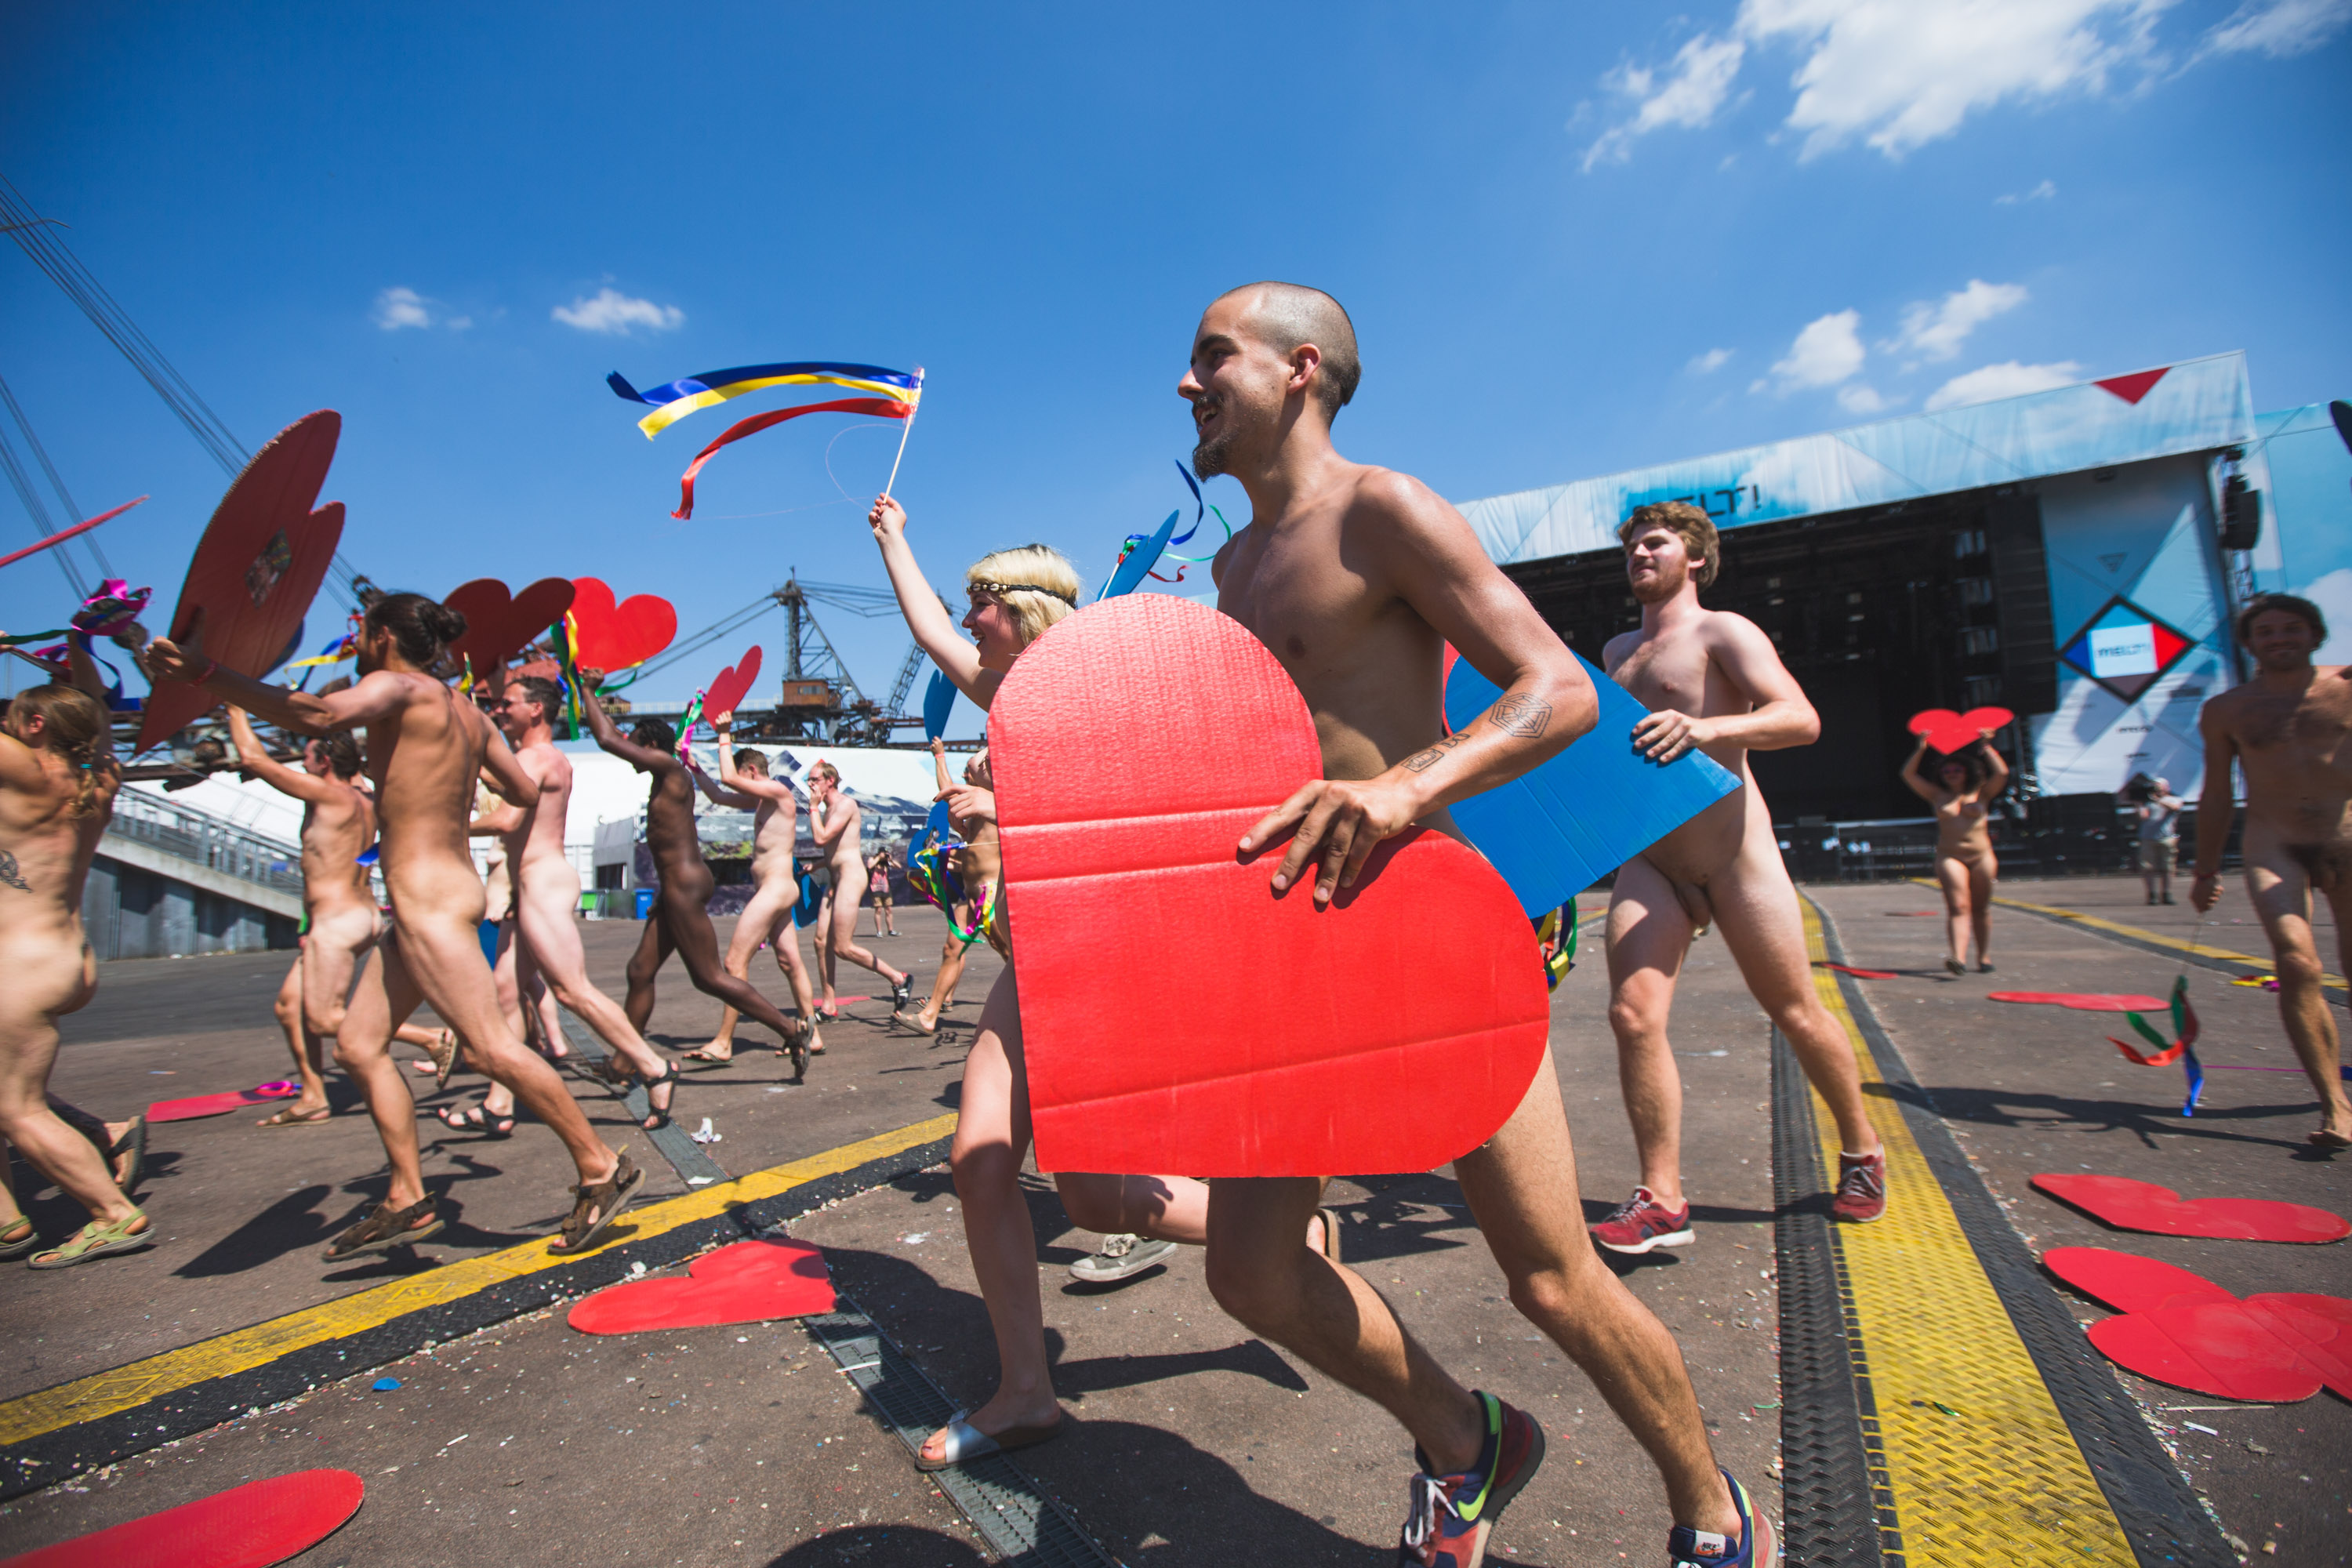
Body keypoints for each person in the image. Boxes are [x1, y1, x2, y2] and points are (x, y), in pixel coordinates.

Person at [1184, 283, 1764, 1566]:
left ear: (1304, 371)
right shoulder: (1229, 567)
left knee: (1552, 1277)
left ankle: (1718, 1519)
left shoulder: (1383, 509)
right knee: (1251, 1275)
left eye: (1212, 356)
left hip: (1430, 939)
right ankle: (1467, 1440)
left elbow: (1558, 691)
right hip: (1298, 951)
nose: (1190, 383)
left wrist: (1404, 788)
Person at [864, 496, 1286, 1472]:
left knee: (1094, 1195)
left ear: (1023, 608)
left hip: (1100, 958)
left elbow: (1142, 809)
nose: (966, 617)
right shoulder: (1001, 690)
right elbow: (926, 629)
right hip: (1030, 953)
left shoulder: (1097, 690)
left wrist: (1005, 805)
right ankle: (1025, 1391)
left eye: (981, 601)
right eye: (965, 601)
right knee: (980, 1156)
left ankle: (1286, 1228)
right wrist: (892, 539)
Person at [147, 593, 644, 1258]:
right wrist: (444, 798)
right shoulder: (465, 711)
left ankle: (599, 1166)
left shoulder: (395, 686)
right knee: (357, 1043)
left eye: (361, 632)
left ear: (381, 635)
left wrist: (207, 674)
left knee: (493, 1047)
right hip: (439, 892)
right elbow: (523, 796)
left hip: (427, 902)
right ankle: (407, 1196)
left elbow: (319, 714)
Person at [1596, 501, 1886, 1261]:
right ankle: (1661, 1197)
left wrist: (1709, 729)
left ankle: (1860, 1146)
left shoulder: (1725, 631)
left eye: (1654, 542)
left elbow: (1801, 718)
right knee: (1632, 1014)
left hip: (1734, 853)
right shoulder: (1617, 648)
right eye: (1631, 545)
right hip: (1653, 856)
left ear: (1695, 556)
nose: (1639, 555)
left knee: (1795, 1009)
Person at [578, 673, 811, 1079]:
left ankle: (791, 1030)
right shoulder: (668, 772)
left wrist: (586, 690)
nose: (629, 750)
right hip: (675, 888)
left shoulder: (667, 767)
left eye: (637, 744)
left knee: (709, 976)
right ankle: (622, 1063)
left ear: (650, 747)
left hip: (683, 886)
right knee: (640, 972)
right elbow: (616, 734)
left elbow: (607, 740)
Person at [475, 676, 681, 1127]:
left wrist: (434, 819)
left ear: (535, 710)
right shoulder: (548, 758)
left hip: (541, 884)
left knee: (572, 990)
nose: (500, 709)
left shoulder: (533, 758)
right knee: (506, 992)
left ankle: (655, 1068)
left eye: (507, 703)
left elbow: (508, 819)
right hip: (531, 883)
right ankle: (499, 1103)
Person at [2191, 593, 2352, 1149]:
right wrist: (2205, 870)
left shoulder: (2347, 687)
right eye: (2265, 632)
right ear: (2249, 644)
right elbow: (2216, 796)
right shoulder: (2227, 710)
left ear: (2315, 634)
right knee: (2297, 961)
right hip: (2274, 845)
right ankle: (2335, 1105)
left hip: (2345, 839)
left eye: (2291, 629)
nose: (2278, 639)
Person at [0, 671, 148, 1269]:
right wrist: (83, 648)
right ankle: (8, 1222)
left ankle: (112, 1213)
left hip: (21, 963)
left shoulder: (26, 769)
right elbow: (97, 716)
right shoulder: (100, 775)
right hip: (68, 955)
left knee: (18, 1108)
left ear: (36, 725)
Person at [682, 724, 826, 1066]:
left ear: (751, 771)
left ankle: (723, 1042)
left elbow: (729, 779)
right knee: (790, 962)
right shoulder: (766, 800)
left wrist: (723, 734)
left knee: (734, 963)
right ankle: (813, 1035)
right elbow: (719, 795)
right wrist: (694, 767)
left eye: (742, 773)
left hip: (775, 889)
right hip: (776, 889)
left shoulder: (777, 791)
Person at [894, 737, 991, 1039]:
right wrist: (960, 863)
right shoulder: (975, 806)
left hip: (994, 893)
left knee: (1012, 958)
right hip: (972, 891)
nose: (965, 775)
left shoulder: (994, 800)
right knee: (952, 949)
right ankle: (930, 1013)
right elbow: (948, 792)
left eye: (971, 768)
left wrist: (940, 758)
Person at [805, 760, 913, 1016]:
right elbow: (837, 848)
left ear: (830, 780)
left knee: (842, 947)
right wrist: (817, 864)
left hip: (850, 878)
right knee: (821, 942)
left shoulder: (844, 805)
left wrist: (811, 808)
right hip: (834, 878)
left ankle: (898, 978)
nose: (810, 786)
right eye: (809, 781)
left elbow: (821, 838)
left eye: (815, 780)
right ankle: (829, 1005)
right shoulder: (828, 808)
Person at [1900, 731, 2009, 973]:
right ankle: (1957, 958)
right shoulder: (1937, 795)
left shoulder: (1982, 793)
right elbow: (1908, 774)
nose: (1951, 775)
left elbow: (2002, 774)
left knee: (1981, 907)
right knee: (1958, 906)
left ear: (1967, 772)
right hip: (1951, 856)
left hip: (1981, 856)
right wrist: (1921, 749)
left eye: (1956, 771)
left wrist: (1987, 747)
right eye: (1947, 772)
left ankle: (1984, 957)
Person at [2126, 774, 2184, 906]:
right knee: (2148, 868)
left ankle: (2167, 893)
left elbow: (2174, 808)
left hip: (2167, 838)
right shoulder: (2147, 802)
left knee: (2167, 868)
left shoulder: (2174, 799)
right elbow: (2143, 817)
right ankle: (2152, 894)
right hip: (2148, 838)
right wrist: (2138, 803)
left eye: (2158, 786)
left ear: (2166, 787)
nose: (2155, 789)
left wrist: (2158, 799)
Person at [866, 842, 901, 937]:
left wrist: (891, 859)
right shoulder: (873, 859)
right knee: (878, 910)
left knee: (889, 909)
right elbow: (869, 866)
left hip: (886, 888)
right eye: (883, 853)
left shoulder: (886, 863)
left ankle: (891, 930)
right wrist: (878, 858)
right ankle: (879, 931)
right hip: (875, 888)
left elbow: (899, 867)